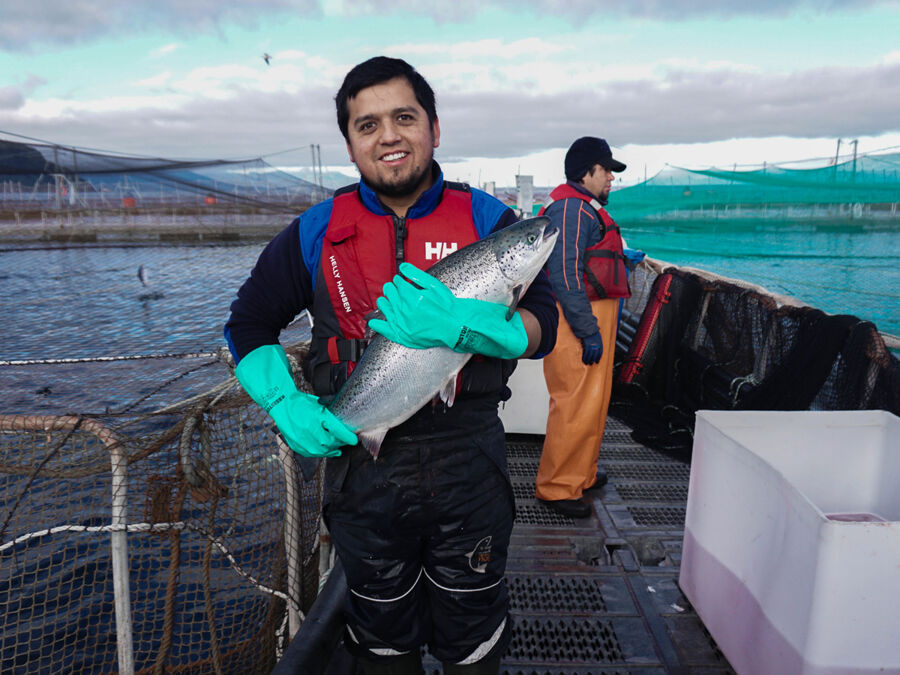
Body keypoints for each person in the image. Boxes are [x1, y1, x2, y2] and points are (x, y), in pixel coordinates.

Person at [224, 56, 558, 674]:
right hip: (362, 471)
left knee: (474, 636)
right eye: (367, 124)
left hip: (470, 463)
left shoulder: (489, 220)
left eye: (404, 117)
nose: (389, 136)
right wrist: (283, 401)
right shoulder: (316, 231)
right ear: (350, 145)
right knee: (381, 639)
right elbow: (247, 324)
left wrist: (470, 327)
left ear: (434, 128)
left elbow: (545, 325)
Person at [535, 136, 636, 519]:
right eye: (606, 170)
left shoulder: (583, 208)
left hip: (592, 320)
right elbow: (564, 274)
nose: (611, 177)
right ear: (586, 172)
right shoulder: (572, 209)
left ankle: (581, 473)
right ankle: (558, 487)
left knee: (593, 403)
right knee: (574, 404)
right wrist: (587, 330)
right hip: (578, 324)